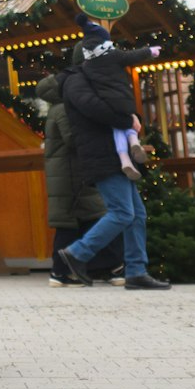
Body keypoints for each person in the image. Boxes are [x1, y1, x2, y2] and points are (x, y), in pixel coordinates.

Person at [52, 19, 171, 290]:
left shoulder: (99, 76)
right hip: (101, 154)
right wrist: (127, 121)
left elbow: (118, 104)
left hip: (117, 155)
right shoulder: (75, 81)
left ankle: (136, 271)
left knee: (136, 214)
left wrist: (133, 117)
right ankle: (77, 253)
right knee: (122, 212)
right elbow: (95, 108)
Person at [38, 69, 123, 286]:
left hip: (71, 173)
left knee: (82, 220)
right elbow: (74, 139)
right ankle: (67, 271)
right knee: (91, 218)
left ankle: (77, 270)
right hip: (72, 175)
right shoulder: (65, 109)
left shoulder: (60, 108)